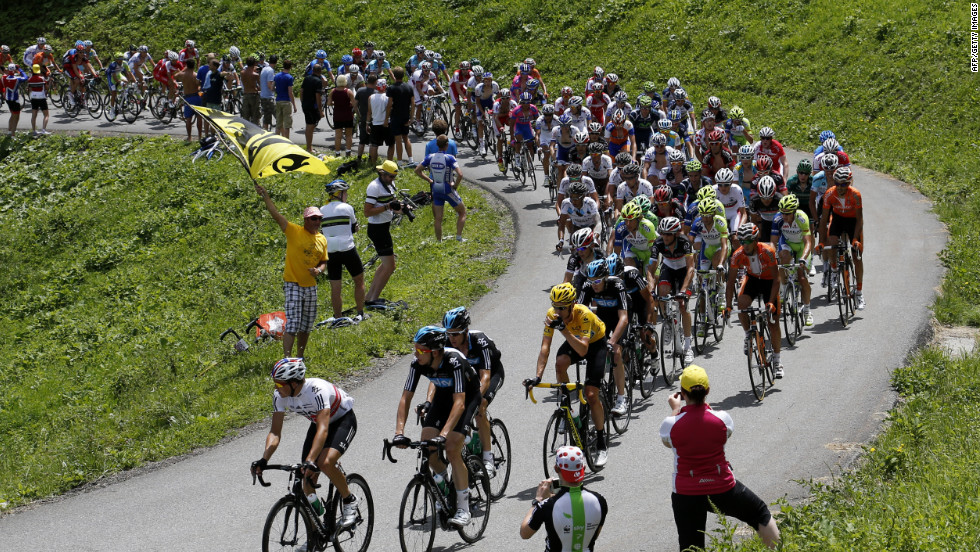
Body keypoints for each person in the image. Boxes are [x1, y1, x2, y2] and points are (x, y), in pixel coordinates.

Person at [660, 365, 781, 551]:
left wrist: (676, 410)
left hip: (686, 493)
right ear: (707, 391)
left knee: (691, 546)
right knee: (760, 513)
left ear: (682, 394)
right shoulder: (723, 419)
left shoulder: (670, 424)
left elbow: (668, 441)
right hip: (722, 488)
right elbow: (721, 434)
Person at [250, 358, 361, 533]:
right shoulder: (280, 396)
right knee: (307, 482)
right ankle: (318, 529)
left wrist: (311, 459)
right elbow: (275, 432)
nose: (276, 388)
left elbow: (323, 430)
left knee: (324, 462)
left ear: (293, 383)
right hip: (318, 424)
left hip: (342, 420)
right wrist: (264, 459)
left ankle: (349, 500)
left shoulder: (317, 390)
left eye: (279, 384)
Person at [392, 325, 481, 527]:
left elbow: (459, 403)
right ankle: (442, 481)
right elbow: (406, 398)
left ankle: (463, 509)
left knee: (451, 448)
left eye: (420, 350)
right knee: (427, 444)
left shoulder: (454, 362)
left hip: (467, 398)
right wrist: (399, 432)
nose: (416, 354)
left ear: (434, 351)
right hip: (443, 396)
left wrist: (445, 434)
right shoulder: (418, 364)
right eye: (415, 349)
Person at [526, 283, 609, 467]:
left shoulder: (584, 314)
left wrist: (563, 329)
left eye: (561, 307)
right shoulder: (552, 315)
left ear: (572, 304)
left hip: (595, 344)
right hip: (575, 339)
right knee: (560, 363)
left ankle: (602, 443)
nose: (557, 310)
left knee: (591, 395)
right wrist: (537, 376)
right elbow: (545, 347)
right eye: (554, 306)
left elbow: (582, 350)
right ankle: (570, 412)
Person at [254, 183, 328, 358]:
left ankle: (299, 357)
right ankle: (287, 359)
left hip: (311, 286)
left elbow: (324, 261)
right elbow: (276, 214)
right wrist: (265, 196)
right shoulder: (294, 231)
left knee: (307, 325)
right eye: (313, 218)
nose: (317, 221)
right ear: (305, 220)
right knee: (293, 324)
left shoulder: (322, 239)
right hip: (293, 283)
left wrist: (319, 270)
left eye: (319, 218)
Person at [443, 306, 505, 477]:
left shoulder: (480, 342)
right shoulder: (447, 344)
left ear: (466, 331)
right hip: (468, 378)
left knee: (480, 407)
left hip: (491, 373)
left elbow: (485, 377)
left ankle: (488, 458)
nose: (451, 338)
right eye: (448, 334)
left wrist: (475, 399)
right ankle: (469, 440)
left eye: (455, 334)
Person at [520, 445, 608, 552]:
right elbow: (594, 535)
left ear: (556, 469)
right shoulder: (600, 501)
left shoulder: (547, 506)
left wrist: (537, 500)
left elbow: (524, 533)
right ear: (583, 469)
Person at [726, 223, 784, 377]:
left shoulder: (768, 251)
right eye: (741, 241)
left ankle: (777, 361)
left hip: (769, 282)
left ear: (755, 239)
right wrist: (728, 306)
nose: (744, 244)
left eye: (748, 241)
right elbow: (730, 282)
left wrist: (771, 302)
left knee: (773, 322)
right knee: (742, 304)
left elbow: (777, 280)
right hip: (752, 279)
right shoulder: (737, 254)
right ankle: (748, 335)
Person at [319, 179, 367, 324]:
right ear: (339, 194)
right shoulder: (347, 208)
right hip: (347, 248)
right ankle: (360, 313)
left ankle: (338, 317)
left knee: (335, 287)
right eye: (345, 193)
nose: (346, 195)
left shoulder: (321, 210)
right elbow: (354, 227)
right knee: (359, 281)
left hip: (331, 251)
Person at [819, 166, 865, 310]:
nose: (839, 187)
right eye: (837, 183)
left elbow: (859, 220)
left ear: (849, 182)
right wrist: (821, 242)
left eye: (843, 184)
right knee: (831, 242)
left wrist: (855, 239)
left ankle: (859, 292)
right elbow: (824, 220)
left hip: (853, 223)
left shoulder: (855, 195)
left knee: (857, 256)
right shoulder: (829, 194)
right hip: (838, 220)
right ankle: (833, 271)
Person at [363, 160, 401, 306]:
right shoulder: (374, 187)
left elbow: (393, 206)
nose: (392, 180)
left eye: (394, 177)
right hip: (377, 229)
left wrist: (402, 208)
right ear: (382, 173)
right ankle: (373, 299)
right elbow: (367, 212)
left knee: (386, 265)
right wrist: (387, 206)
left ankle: (369, 297)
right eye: (390, 176)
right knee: (390, 266)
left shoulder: (389, 185)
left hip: (384, 227)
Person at [416, 134, 466, 242]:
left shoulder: (430, 157)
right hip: (448, 189)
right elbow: (460, 174)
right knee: (462, 212)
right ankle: (459, 237)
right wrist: (455, 186)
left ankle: (439, 241)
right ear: (447, 145)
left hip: (435, 189)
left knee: (438, 218)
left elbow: (417, 170)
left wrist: (429, 180)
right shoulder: (450, 158)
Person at [386, 66, 415, 165]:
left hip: (395, 116)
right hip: (405, 115)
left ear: (393, 75)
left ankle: (399, 161)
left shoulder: (391, 88)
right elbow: (413, 103)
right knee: (406, 138)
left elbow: (390, 104)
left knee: (398, 140)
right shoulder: (409, 87)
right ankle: (411, 159)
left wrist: (386, 118)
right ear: (403, 76)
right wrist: (411, 117)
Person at [366, 78, 392, 165]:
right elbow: (390, 109)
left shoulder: (371, 97)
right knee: (391, 144)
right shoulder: (388, 97)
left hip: (375, 123)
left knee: (374, 145)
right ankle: (389, 163)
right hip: (386, 123)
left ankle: (373, 163)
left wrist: (367, 124)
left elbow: (369, 112)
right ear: (385, 87)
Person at [177, 59, 203, 142]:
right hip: (196, 96)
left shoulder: (183, 75)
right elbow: (199, 85)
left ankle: (189, 137)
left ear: (186, 65)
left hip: (188, 97)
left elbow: (175, 76)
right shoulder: (196, 75)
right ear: (194, 65)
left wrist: (184, 69)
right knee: (199, 117)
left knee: (188, 118)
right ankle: (199, 136)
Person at [300, 64, 325, 152]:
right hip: (312, 106)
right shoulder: (318, 81)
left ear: (313, 70)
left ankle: (309, 146)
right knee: (310, 126)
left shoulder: (307, 78)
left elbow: (301, 91)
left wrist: (302, 102)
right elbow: (318, 96)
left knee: (310, 125)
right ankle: (309, 148)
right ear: (320, 71)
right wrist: (320, 110)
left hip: (305, 105)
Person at [353, 74, 377, 161]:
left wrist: (359, 115)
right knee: (372, 142)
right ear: (375, 82)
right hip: (374, 119)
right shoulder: (376, 92)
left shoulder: (360, 91)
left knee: (362, 141)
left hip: (363, 118)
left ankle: (359, 158)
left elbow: (355, 105)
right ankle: (371, 158)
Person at [2, 64, 28, 136]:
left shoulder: (3, 78)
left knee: (12, 115)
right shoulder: (17, 79)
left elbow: (4, 75)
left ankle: (10, 131)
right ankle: (13, 134)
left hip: (8, 99)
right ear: (14, 70)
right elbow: (25, 77)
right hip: (15, 100)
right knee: (16, 116)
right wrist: (20, 69)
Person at [273, 59, 296, 138]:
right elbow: (290, 92)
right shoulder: (289, 78)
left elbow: (272, 87)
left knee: (278, 123)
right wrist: (294, 105)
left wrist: (278, 90)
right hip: (286, 101)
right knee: (287, 124)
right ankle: (287, 141)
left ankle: (276, 140)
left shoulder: (277, 76)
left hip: (278, 100)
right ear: (290, 67)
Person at [26, 64, 50, 135]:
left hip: (33, 97)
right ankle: (43, 130)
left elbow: (29, 89)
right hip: (41, 97)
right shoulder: (42, 78)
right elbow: (46, 88)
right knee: (46, 115)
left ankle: (34, 131)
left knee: (34, 115)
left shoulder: (30, 79)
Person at [240, 56, 262, 125]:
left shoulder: (242, 73)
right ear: (254, 64)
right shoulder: (255, 75)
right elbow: (260, 86)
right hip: (254, 94)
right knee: (255, 116)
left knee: (246, 116)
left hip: (246, 94)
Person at [260, 55, 278, 131]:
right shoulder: (270, 70)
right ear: (276, 62)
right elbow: (270, 85)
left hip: (263, 95)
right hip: (269, 97)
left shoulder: (264, 69)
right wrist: (276, 89)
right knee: (279, 116)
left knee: (267, 117)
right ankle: (280, 134)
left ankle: (265, 133)